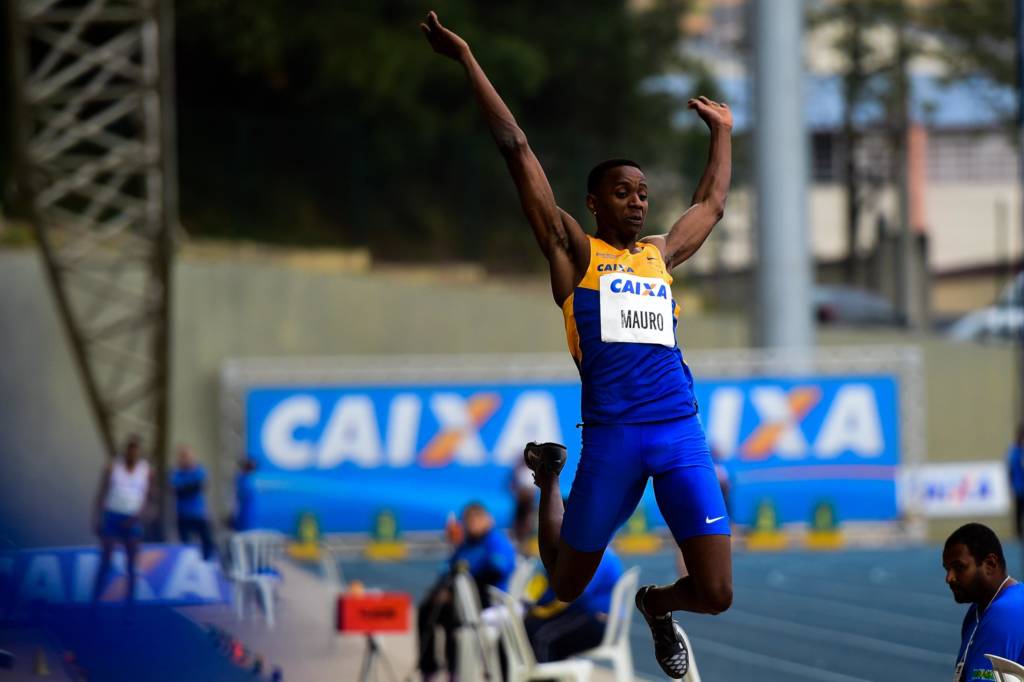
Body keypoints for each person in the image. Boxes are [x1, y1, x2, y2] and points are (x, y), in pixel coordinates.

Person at [421, 11, 732, 678]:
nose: (638, 203)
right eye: (623, 193)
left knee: (715, 593)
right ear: (593, 204)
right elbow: (516, 148)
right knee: (564, 582)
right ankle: (549, 481)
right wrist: (470, 58)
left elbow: (709, 207)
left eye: (645, 194)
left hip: (679, 432)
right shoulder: (574, 254)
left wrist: (723, 134)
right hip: (615, 437)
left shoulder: (657, 255)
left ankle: (655, 605)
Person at [416, 502, 516, 681]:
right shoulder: (465, 545)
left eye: (477, 518)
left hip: (489, 603)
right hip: (462, 601)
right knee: (427, 609)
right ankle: (429, 668)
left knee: (451, 615)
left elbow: (497, 570)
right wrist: (440, 590)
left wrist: (460, 584)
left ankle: (455, 669)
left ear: (488, 520)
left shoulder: (496, 541)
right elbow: (448, 570)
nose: (472, 523)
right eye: (468, 520)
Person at [943, 523, 1023, 681]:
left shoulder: (1004, 615)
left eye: (959, 567)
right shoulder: (977, 611)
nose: (949, 578)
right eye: (947, 569)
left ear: (990, 564)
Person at [523, 539, 624, 663]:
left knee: (542, 638)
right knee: (533, 628)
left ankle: (546, 677)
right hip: (588, 615)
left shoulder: (598, 557)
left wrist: (539, 610)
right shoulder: (592, 553)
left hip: (599, 621)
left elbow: (574, 595)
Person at [91, 434, 155, 603]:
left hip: (132, 518)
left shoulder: (146, 470)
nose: (132, 454)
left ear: (139, 453)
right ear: (125, 451)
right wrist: (97, 517)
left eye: (136, 451)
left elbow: (150, 498)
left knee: (131, 565)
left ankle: (130, 606)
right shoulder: (113, 467)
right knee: (106, 560)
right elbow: (102, 493)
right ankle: (95, 602)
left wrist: (139, 516)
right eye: (130, 450)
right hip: (112, 516)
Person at [171, 445, 214, 560]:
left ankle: (207, 563)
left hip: (199, 514)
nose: (185, 459)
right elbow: (176, 489)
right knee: (185, 545)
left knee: (207, 541)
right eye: (183, 456)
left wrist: (187, 487)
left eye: (187, 456)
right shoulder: (176, 472)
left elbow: (200, 485)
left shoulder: (199, 470)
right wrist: (191, 486)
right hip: (183, 514)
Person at [1008, 423, 1024, 548]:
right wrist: (1011, 485)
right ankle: (1018, 534)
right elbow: (1010, 469)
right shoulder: (1014, 451)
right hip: (1019, 488)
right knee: (1018, 512)